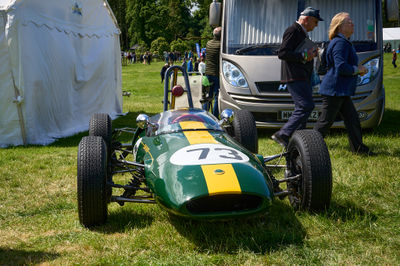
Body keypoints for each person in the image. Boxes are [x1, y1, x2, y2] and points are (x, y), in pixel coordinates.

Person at [313, 12, 374, 156]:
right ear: (339, 27)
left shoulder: (341, 41)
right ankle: (309, 147)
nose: (352, 24)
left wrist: (356, 70)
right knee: (325, 122)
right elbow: (340, 66)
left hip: (340, 90)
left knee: (352, 120)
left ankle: (359, 149)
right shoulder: (340, 42)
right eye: (349, 22)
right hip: (334, 90)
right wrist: (357, 69)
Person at [271, 7, 323, 147]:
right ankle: (282, 134)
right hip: (295, 76)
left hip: (301, 76)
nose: (316, 25)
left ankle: (299, 141)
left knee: (302, 108)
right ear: (306, 19)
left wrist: (310, 52)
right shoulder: (293, 30)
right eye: (315, 21)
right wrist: (305, 55)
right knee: (306, 106)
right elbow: (282, 53)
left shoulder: (300, 32)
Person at [204, 26, 222, 117]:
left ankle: (205, 115)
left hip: (207, 73)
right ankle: (215, 116)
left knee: (207, 96)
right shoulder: (221, 45)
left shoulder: (208, 43)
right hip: (216, 74)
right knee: (217, 96)